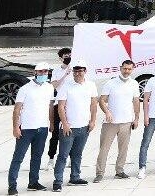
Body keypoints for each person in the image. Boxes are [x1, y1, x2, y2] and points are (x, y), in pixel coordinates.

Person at [8, 61, 52, 194]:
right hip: (26, 129)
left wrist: (51, 122)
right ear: (35, 72)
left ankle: (33, 182)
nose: (43, 74)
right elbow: (17, 110)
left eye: (46, 71)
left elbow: (50, 106)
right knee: (18, 157)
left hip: (42, 128)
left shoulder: (49, 88)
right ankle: (12, 185)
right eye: (41, 71)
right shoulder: (25, 89)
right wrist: (16, 127)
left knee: (37, 157)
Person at [53, 59, 97, 191]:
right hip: (69, 128)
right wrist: (65, 124)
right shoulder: (66, 85)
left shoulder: (91, 85)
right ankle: (58, 180)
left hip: (84, 127)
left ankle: (75, 177)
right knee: (63, 155)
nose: (78, 73)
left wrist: (93, 121)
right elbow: (60, 107)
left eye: (80, 71)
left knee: (77, 154)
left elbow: (93, 104)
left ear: (85, 71)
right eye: (75, 71)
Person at [94, 58, 141, 182]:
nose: (126, 71)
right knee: (104, 148)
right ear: (121, 68)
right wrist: (107, 112)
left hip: (126, 122)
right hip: (110, 123)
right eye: (125, 68)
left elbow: (136, 102)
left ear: (132, 70)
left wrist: (136, 118)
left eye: (129, 69)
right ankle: (99, 173)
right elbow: (102, 100)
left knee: (123, 148)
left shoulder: (134, 84)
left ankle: (119, 171)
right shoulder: (111, 83)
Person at [45, 48, 72, 169]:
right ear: (61, 58)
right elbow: (53, 86)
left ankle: (71, 158)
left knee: (71, 132)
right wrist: (65, 75)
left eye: (69, 55)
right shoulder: (56, 70)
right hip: (58, 103)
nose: (68, 58)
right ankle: (51, 158)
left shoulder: (75, 68)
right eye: (66, 56)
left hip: (71, 105)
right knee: (55, 133)